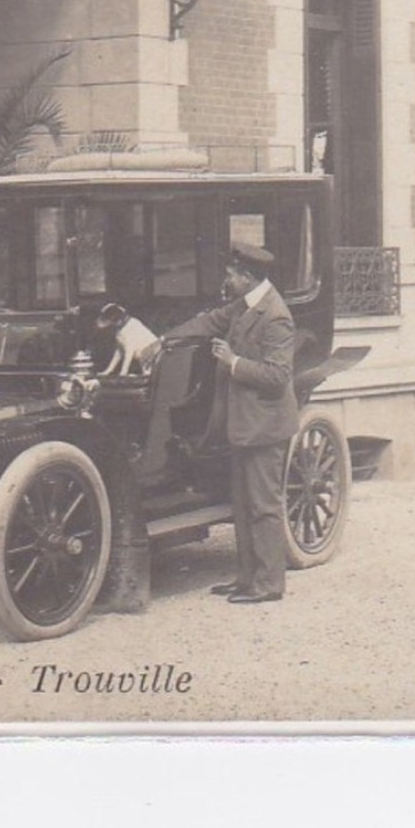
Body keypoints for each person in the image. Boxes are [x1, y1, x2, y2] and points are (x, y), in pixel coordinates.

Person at [162, 243, 300, 605]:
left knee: (263, 507)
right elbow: (210, 321)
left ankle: (269, 585)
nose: (226, 279)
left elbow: (278, 376)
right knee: (242, 504)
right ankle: (246, 579)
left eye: (231, 274)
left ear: (247, 277)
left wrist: (232, 361)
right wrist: (165, 339)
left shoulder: (276, 316)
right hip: (245, 425)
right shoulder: (245, 304)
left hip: (265, 427)